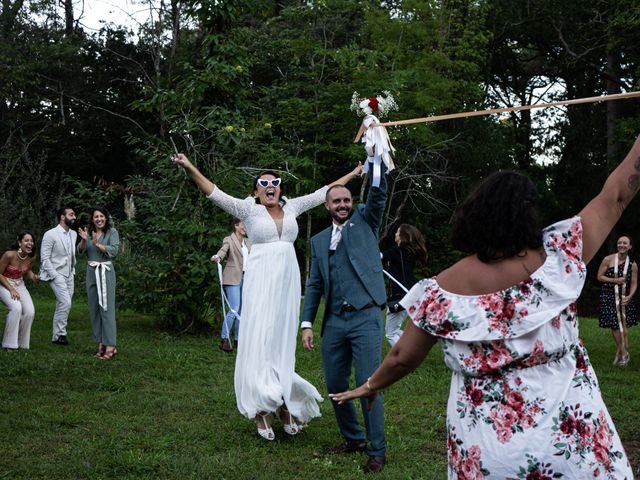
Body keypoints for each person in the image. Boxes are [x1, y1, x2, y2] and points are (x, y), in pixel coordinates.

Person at [330, 134, 640, 478]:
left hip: (490, 452)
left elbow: (402, 356)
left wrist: (371, 386)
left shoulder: (442, 288)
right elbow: (616, 197)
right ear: (527, 215)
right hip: (572, 447)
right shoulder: (560, 253)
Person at [173, 152, 363, 441]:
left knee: (282, 342)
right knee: (260, 339)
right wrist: (189, 167)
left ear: (280, 188)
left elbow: (325, 191)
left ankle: (284, 401)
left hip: (287, 285)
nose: (270, 186)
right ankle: (262, 409)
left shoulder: (293, 207)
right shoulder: (249, 210)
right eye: (264, 183)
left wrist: (351, 174)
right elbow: (214, 192)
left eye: (275, 182)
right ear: (256, 190)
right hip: (260, 284)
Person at [301, 166, 389, 474]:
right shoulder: (319, 240)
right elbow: (314, 285)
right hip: (335, 322)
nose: (342, 205)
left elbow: (378, 195)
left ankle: (377, 450)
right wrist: (307, 323)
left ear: (352, 203)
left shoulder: (365, 222)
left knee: (369, 383)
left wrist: (377, 159)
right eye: (336, 201)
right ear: (327, 206)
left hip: (366, 317)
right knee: (336, 383)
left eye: (346, 200)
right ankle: (354, 439)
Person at [78, 206, 120, 360]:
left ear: (106, 218)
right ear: (92, 219)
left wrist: (97, 244)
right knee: (95, 308)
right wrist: (84, 240)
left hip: (105, 272)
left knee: (106, 308)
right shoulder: (88, 232)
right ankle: (101, 342)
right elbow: (81, 251)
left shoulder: (112, 232)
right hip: (91, 272)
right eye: (96, 217)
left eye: (102, 216)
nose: (99, 219)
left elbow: (113, 250)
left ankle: (111, 345)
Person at [381, 224, 427, 347]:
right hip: (411, 294)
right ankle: (410, 348)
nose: (395, 234)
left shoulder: (396, 251)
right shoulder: (410, 252)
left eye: (397, 232)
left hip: (399, 295)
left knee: (391, 334)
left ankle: (403, 357)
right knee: (395, 330)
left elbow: (378, 258)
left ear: (402, 236)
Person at [597, 234, 637, 366]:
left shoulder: (632, 264)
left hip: (624, 298)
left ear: (630, 246)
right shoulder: (608, 259)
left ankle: (620, 352)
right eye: (620, 242)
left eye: (625, 243)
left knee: (622, 325)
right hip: (609, 296)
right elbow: (599, 276)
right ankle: (624, 352)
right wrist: (615, 280)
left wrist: (630, 297)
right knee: (614, 325)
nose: (622, 245)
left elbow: (634, 284)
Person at [211, 218, 250, 352]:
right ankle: (224, 339)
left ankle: (238, 340)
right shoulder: (229, 239)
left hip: (247, 278)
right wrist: (218, 257)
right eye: (243, 225)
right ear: (236, 226)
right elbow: (223, 250)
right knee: (234, 309)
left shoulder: (248, 242)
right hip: (233, 278)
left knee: (242, 311)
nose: (246, 227)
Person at [40, 206, 77, 345]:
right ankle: (61, 334)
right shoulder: (50, 234)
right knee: (66, 302)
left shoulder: (73, 234)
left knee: (63, 303)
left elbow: (73, 253)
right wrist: (54, 275)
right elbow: (45, 258)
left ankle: (57, 335)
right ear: (62, 217)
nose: (74, 217)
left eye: (74, 215)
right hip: (56, 273)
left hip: (70, 273)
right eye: (71, 214)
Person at [0, 232, 39, 350]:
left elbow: (27, 270)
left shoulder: (32, 257)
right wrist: (11, 289)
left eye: (31, 241)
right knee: (16, 308)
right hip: (4, 283)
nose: (30, 243)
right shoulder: (9, 255)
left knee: (30, 312)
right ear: (19, 243)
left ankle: (22, 343)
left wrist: (33, 276)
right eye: (26, 240)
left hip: (19, 284)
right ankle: (9, 345)